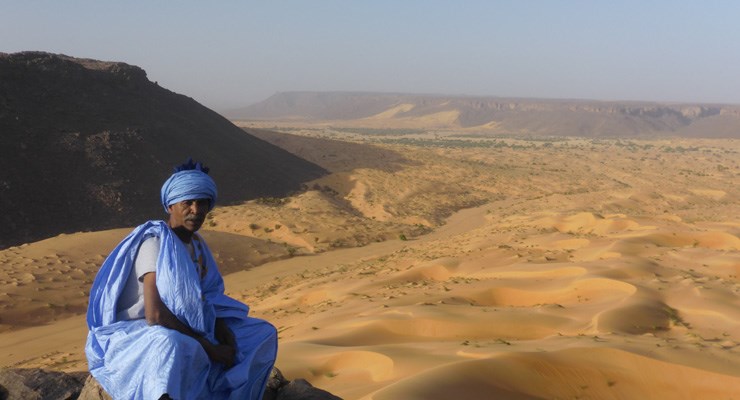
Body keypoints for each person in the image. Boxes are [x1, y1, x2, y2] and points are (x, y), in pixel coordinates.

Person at [86, 159, 277, 400]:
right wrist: (212, 350)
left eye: (203, 203)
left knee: (261, 332)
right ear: (170, 206)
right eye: (188, 202)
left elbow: (206, 299)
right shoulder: (155, 244)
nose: (196, 211)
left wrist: (222, 328)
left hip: (191, 326)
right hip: (141, 332)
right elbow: (155, 316)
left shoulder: (197, 246)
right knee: (169, 344)